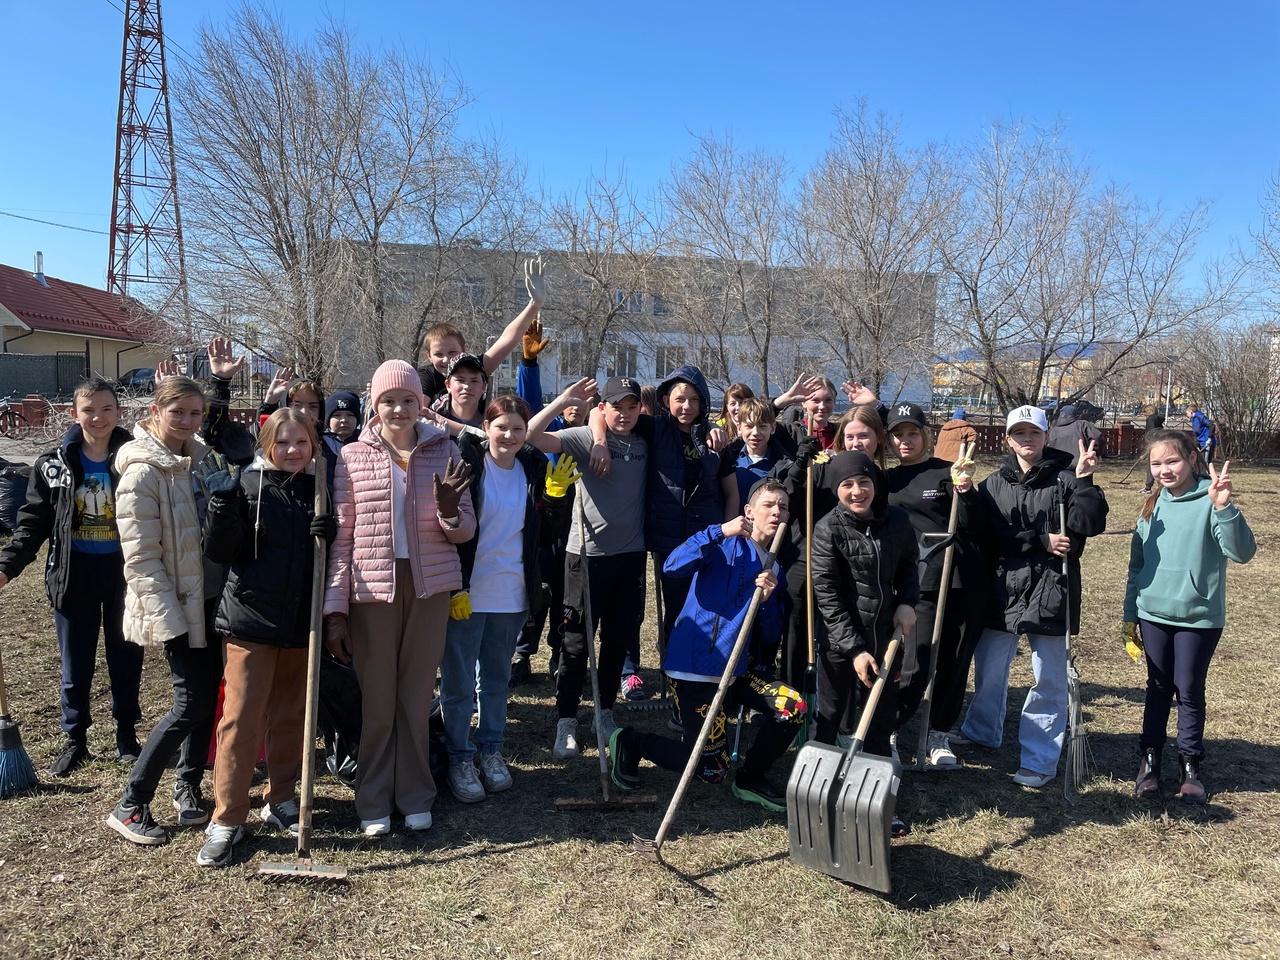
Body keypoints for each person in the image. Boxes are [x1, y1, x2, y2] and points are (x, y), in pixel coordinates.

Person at [323, 359, 476, 837]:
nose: (399, 408)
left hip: (429, 586)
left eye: (408, 399)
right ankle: (373, 801)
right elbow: (343, 538)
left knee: (414, 697)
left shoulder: (444, 448)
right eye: (389, 400)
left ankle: (415, 795)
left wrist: (450, 512)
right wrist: (335, 609)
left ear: (421, 404)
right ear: (375, 403)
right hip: (372, 590)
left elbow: (464, 530)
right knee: (378, 700)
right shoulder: (352, 456)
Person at [606, 479, 804, 810]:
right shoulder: (721, 544)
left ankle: (752, 777)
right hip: (694, 668)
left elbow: (770, 636)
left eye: (783, 507)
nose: (776, 511)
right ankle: (631, 742)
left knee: (792, 707)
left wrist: (769, 600)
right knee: (711, 771)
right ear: (749, 511)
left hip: (736, 669)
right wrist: (719, 531)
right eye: (769, 504)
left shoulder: (776, 568)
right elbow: (672, 566)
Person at [195, 409, 336, 867]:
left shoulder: (320, 490)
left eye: (302, 442)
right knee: (241, 720)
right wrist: (221, 506)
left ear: (314, 444)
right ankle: (228, 819)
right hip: (250, 622)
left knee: (291, 716)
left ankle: (280, 799)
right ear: (266, 444)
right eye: (283, 443)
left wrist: (328, 534)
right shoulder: (247, 487)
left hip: (301, 623)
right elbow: (218, 552)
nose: (293, 451)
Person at [953, 405, 1108, 788]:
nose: (1027, 439)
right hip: (1003, 589)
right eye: (1019, 433)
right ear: (1008, 438)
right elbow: (984, 536)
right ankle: (981, 730)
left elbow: (1089, 525)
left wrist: (1086, 481)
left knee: (1048, 679)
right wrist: (1037, 540)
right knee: (989, 669)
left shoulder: (1068, 479)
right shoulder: (991, 484)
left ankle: (1040, 757)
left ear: (1046, 437)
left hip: (1053, 589)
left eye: (1034, 433)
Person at [106, 377, 228, 845]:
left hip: (212, 597)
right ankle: (131, 803)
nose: (187, 421)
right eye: (178, 412)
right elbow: (140, 558)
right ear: (156, 411)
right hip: (177, 606)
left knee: (206, 699)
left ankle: (188, 788)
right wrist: (168, 619)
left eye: (196, 414)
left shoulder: (197, 460)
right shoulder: (142, 472)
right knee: (190, 703)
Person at [0, 378, 142, 775]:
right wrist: (7, 567)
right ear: (73, 414)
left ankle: (126, 734)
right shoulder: (52, 465)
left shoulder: (136, 459)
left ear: (119, 413)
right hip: (72, 575)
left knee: (126, 656)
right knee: (74, 663)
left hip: (125, 576)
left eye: (106, 409)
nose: (98, 417)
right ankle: (75, 738)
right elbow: (31, 525)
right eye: (89, 410)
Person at [441, 395, 573, 802]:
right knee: (460, 683)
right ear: (487, 427)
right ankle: (459, 757)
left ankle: (492, 751)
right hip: (468, 591)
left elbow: (547, 535)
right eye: (502, 427)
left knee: (496, 680)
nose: (510, 435)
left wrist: (554, 498)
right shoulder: (468, 463)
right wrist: (456, 584)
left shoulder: (531, 468)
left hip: (511, 592)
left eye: (519, 428)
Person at [1123, 431, 1254, 803]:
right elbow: (1137, 566)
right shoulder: (1151, 506)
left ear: (1193, 459)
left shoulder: (1210, 502)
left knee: (1189, 688)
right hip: (1153, 613)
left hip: (1198, 617)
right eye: (1156, 463)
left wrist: (1224, 507)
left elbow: (1242, 552)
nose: (1165, 470)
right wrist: (1130, 614)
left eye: (1172, 461)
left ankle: (1190, 764)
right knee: (1158, 688)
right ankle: (1149, 761)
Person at [527, 375, 646, 758]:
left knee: (615, 640)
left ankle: (604, 712)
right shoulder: (583, 438)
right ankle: (566, 720)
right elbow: (530, 435)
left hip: (630, 557)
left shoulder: (648, 440)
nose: (624, 414)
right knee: (576, 642)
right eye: (617, 407)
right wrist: (563, 402)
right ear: (603, 408)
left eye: (632, 406)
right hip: (586, 555)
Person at [810, 451, 918, 835]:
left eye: (863, 482)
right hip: (840, 645)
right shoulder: (828, 529)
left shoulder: (898, 522)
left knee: (878, 724)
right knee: (830, 717)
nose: (857, 491)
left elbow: (909, 564)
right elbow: (827, 594)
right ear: (837, 489)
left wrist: (907, 601)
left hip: (886, 638)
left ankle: (879, 807)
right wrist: (854, 649)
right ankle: (819, 798)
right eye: (847, 485)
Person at [883, 402, 984, 769]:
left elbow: (976, 523)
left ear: (927, 435)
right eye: (898, 434)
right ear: (890, 440)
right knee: (915, 662)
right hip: (916, 583)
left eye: (913, 433)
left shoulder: (948, 472)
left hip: (959, 580)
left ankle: (938, 734)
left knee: (955, 664)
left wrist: (966, 490)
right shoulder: (887, 481)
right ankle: (887, 731)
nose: (905, 441)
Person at [417, 256, 546, 403]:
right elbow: (419, 412)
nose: (446, 359)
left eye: (452, 352)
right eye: (438, 354)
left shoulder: (476, 366)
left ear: (464, 349)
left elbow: (507, 340)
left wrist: (535, 304)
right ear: (428, 356)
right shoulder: (427, 376)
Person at [1141, 405, 1166, 494]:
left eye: (1144, 411)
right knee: (1158, 464)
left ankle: (1150, 487)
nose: (1143, 414)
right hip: (1160, 443)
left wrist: (1148, 448)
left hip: (1153, 444)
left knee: (1152, 465)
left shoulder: (1150, 419)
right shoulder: (1158, 419)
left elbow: (1152, 433)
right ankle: (1160, 486)